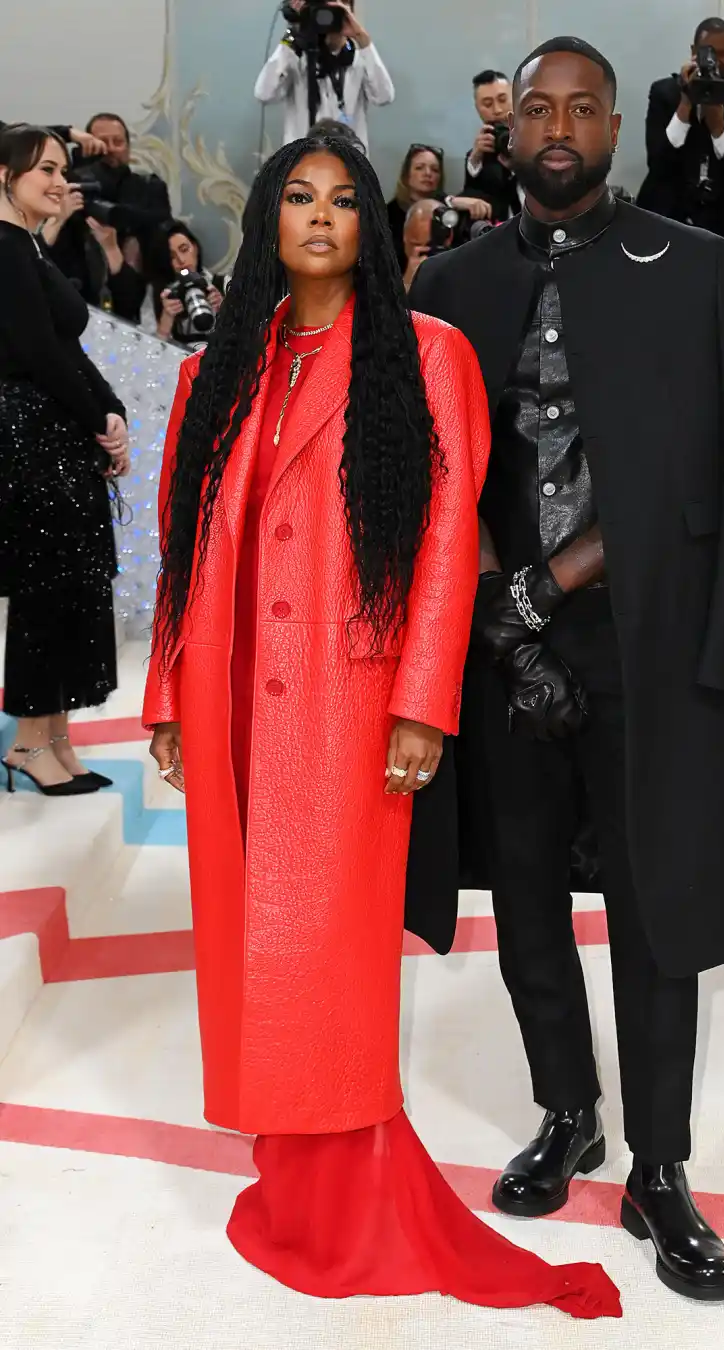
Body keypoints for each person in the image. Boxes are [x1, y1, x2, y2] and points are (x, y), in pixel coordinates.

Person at [142, 133, 621, 1320]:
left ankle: (347, 1185)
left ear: (372, 225)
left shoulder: (425, 354)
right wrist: (167, 696)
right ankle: (286, 1161)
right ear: (265, 221)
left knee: (333, 956)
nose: (320, 217)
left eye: (343, 200)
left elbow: (452, 542)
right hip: (235, 692)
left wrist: (421, 702)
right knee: (254, 946)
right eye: (297, 198)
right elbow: (183, 546)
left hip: (350, 703)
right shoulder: (220, 372)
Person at [408, 37, 724, 1302]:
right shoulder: (449, 280)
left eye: (585, 108)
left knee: (654, 909)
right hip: (502, 648)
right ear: (508, 127)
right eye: (538, 106)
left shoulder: (692, 270)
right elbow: (442, 471)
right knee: (521, 901)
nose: (558, 126)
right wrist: (505, 616)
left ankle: (660, 1168)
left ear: (621, 127)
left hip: (644, 640)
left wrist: (554, 587)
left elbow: (711, 468)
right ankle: (568, 1113)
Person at [0, 125, 129, 795]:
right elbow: (40, 353)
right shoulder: (4, 246)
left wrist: (111, 417)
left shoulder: (26, 244)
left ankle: (56, 740)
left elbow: (67, 348)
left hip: (54, 435)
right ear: (4, 175)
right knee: (44, 589)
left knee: (69, 585)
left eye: (61, 167)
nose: (59, 180)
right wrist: (98, 422)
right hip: (26, 439)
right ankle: (28, 742)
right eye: (44, 168)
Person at [636, 17, 724, 238]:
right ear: (694, 50)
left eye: (723, 54)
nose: (716, 62)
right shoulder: (664, 93)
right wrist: (685, 104)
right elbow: (657, 164)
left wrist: (719, 128)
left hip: (719, 224)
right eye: (709, 53)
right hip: (665, 218)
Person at [255, 1, 393, 152]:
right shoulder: (294, 59)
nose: (328, 17)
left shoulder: (360, 60)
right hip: (302, 165)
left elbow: (384, 97)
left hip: (348, 166)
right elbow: (264, 94)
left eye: (335, 9)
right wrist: (293, 34)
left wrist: (361, 38)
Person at [38, 180, 147, 322]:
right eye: (48, 170)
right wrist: (56, 221)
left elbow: (129, 305)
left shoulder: (88, 237)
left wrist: (111, 249)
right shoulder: (21, 230)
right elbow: (29, 278)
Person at [385, 144, 491, 265]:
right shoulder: (388, 215)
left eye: (435, 169)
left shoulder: (449, 213)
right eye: (419, 168)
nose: (428, 173)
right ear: (407, 175)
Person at [150, 222, 228, 347]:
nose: (181, 260)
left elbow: (251, 335)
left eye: (184, 249)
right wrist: (167, 320)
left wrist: (225, 310)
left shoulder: (223, 285)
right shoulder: (166, 296)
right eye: (172, 257)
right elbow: (153, 352)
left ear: (195, 248)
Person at [462, 69, 521, 221]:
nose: (497, 110)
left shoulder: (544, 140)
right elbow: (471, 195)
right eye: (487, 104)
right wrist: (476, 158)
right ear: (477, 109)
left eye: (502, 100)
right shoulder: (479, 155)